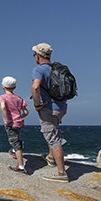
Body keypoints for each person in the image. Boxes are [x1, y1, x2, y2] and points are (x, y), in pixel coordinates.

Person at [31, 42, 69, 182]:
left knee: (53, 138)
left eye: (34, 54)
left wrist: (37, 104)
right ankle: (51, 158)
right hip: (62, 107)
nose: (34, 56)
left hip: (48, 108)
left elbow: (35, 87)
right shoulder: (56, 68)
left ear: (38, 56)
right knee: (53, 131)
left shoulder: (39, 69)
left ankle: (61, 173)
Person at [0, 76, 28, 173]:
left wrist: (7, 119)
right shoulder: (19, 98)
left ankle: (21, 167)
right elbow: (26, 112)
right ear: (14, 87)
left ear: (3, 87)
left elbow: (3, 107)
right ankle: (14, 151)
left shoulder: (2, 97)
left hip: (10, 123)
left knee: (15, 142)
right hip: (19, 122)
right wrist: (19, 117)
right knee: (17, 138)